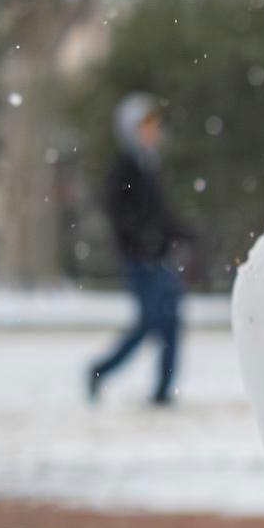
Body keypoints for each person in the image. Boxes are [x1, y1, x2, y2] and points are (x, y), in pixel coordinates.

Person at [88, 93, 191, 406]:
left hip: (158, 256)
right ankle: (100, 370)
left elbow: (161, 214)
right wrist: (141, 240)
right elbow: (120, 214)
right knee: (150, 321)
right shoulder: (125, 169)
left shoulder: (150, 165)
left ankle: (163, 390)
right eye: (146, 125)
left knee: (171, 321)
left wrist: (182, 234)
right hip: (140, 259)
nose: (154, 130)